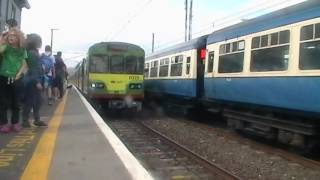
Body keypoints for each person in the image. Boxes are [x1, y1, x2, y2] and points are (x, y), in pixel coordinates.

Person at [0, 29, 27, 133]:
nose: (11, 37)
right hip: (3, 76)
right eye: (9, 35)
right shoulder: (6, 47)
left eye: (14, 36)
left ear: (18, 38)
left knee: (16, 101)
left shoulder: (22, 50)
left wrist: (19, 74)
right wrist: (2, 37)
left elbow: (24, 64)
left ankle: (15, 123)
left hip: (16, 78)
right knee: (3, 102)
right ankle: (3, 123)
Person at [22, 34, 47, 127]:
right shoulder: (32, 53)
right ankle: (26, 121)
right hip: (32, 81)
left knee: (37, 100)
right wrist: (37, 82)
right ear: (35, 42)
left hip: (33, 79)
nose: (41, 43)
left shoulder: (32, 52)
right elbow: (33, 68)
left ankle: (35, 119)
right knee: (31, 101)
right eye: (40, 41)